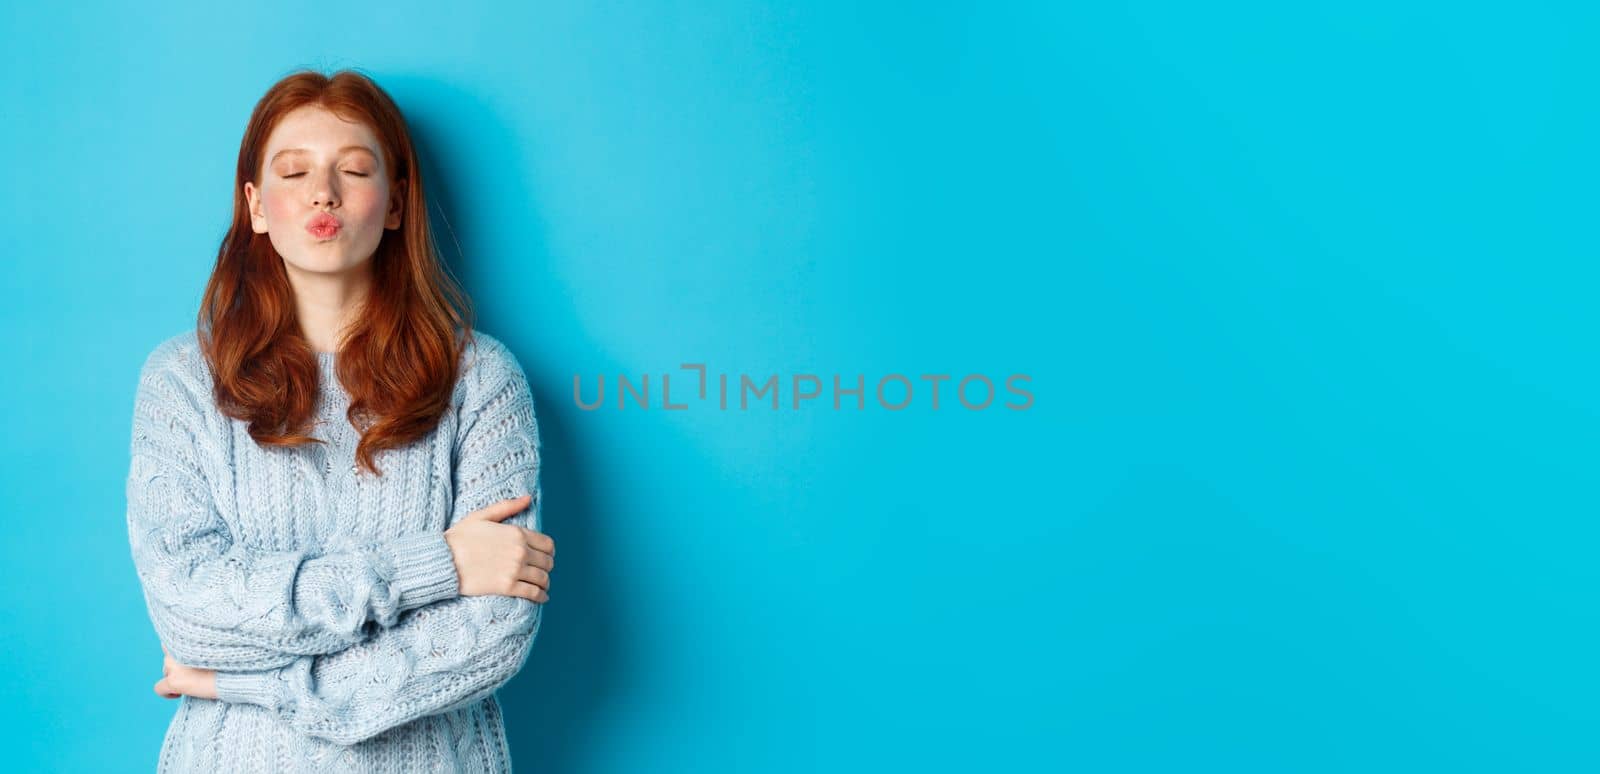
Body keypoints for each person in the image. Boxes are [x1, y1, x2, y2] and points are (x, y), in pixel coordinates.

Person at [125, 68, 555, 773]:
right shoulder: (180, 381)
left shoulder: (481, 379)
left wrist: (243, 682)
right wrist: (436, 565)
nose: (324, 192)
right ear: (257, 206)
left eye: (354, 169)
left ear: (393, 204)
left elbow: (491, 632)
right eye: (295, 172)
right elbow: (189, 614)